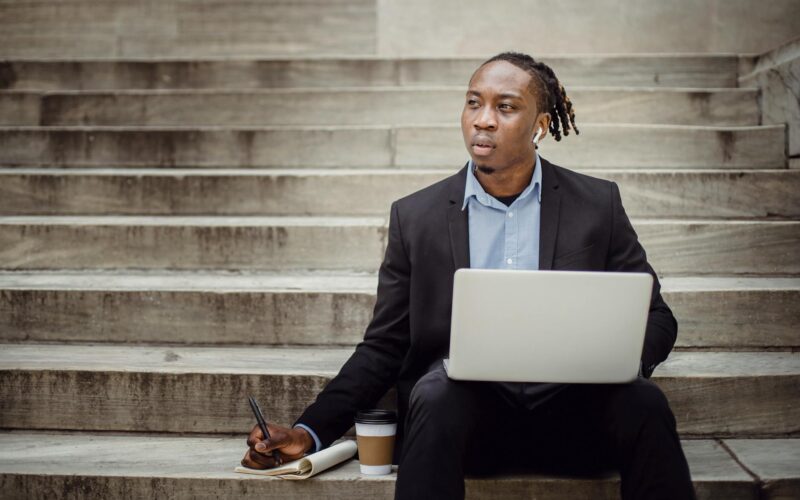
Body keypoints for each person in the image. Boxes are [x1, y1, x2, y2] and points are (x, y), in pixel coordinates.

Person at [241, 51, 697, 500]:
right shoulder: (415, 217)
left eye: (505, 106)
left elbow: (657, 317)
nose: (483, 119)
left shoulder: (596, 204)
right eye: (474, 102)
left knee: (645, 402)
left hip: (575, 421)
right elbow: (384, 345)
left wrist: (616, 363)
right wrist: (309, 430)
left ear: (539, 126)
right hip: (463, 429)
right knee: (436, 389)